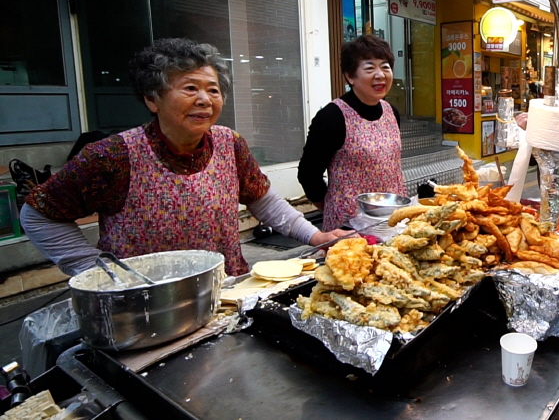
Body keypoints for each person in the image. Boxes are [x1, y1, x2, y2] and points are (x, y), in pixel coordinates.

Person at [21, 39, 346, 277]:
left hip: (226, 291)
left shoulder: (229, 144)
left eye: (213, 90)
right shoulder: (114, 156)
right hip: (145, 304)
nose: (204, 99)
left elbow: (263, 201)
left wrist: (315, 236)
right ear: (153, 99)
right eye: (190, 88)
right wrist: (96, 271)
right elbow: (39, 214)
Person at [298, 35, 406, 231]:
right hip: (348, 227)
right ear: (350, 76)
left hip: (392, 221)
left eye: (385, 67)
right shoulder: (332, 116)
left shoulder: (392, 112)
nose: (380, 74)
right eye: (370, 68)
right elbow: (308, 174)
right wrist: (333, 208)